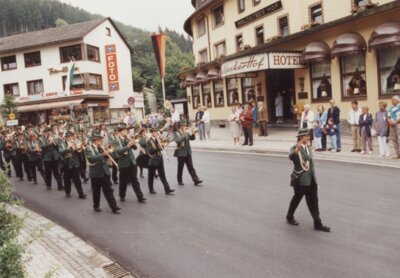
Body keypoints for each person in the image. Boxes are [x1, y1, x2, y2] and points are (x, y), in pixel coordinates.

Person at [286, 128, 331, 232]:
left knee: (314, 202)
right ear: (301, 138)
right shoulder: (296, 147)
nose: (309, 137)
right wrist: (297, 150)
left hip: (311, 180)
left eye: (309, 136)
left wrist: (315, 181)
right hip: (301, 181)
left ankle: (318, 224)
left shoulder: (309, 147)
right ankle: (289, 217)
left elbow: (311, 166)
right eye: (306, 136)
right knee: (296, 199)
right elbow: (291, 156)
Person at [85, 131, 121, 214]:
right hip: (96, 173)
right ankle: (96, 205)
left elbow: (106, 156)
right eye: (97, 140)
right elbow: (92, 159)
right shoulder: (88, 148)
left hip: (105, 172)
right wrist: (104, 154)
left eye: (100, 140)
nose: (99, 141)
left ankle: (114, 207)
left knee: (109, 190)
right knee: (96, 191)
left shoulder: (101, 147)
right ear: (93, 140)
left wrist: (109, 158)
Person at [114, 124, 146, 203]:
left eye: (126, 131)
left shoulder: (127, 139)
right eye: (124, 131)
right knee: (123, 181)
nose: (126, 132)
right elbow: (119, 151)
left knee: (134, 180)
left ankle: (140, 196)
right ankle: (122, 195)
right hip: (123, 163)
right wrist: (128, 145)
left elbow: (135, 148)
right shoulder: (116, 141)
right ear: (120, 132)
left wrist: (133, 142)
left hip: (132, 162)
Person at [173, 121, 203, 186]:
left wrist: (193, 133)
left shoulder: (186, 132)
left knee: (191, 167)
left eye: (184, 125)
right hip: (181, 153)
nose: (184, 126)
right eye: (182, 125)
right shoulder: (176, 133)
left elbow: (192, 139)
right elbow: (178, 141)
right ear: (179, 126)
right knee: (180, 168)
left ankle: (196, 180)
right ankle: (179, 180)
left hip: (188, 152)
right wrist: (184, 134)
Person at [58, 131, 87, 199]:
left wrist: (79, 147)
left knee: (77, 180)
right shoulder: (62, 143)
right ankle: (67, 192)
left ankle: (81, 193)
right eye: (69, 137)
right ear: (66, 137)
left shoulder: (75, 142)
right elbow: (61, 152)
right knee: (67, 179)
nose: (70, 138)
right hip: (67, 164)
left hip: (75, 163)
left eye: (71, 136)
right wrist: (68, 147)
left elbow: (78, 151)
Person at [146, 128, 175, 195]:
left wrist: (162, 144)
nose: (156, 133)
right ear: (152, 133)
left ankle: (167, 189)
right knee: (151, 176)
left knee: (162, 175)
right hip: (152, 160)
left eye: (156, 132)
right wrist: (159, 147)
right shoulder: (148, 141)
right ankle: (151, 189)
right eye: (154, 132)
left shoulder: (158, 139)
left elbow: (162, 147)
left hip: (159, 159)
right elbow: (151, 151)